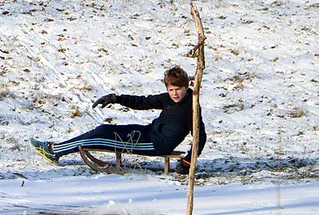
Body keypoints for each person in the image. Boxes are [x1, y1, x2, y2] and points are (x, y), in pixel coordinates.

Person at [29, 66, 206, 174]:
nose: (175, 93)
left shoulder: (191, 107)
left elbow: (201, 137)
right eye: (171, 89)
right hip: (147, 133)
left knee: (100, 137)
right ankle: (55, 149)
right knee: (104, 129)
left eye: (178, 89)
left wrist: (188, 161)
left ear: (187, 86)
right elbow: (143, 101)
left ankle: (55, 150)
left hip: (156, 144)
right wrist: (116, 98)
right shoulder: (168, 99)